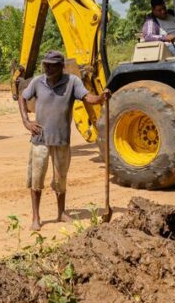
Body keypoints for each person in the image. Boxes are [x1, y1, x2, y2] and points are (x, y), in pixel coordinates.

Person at [18, 50, 110, 231]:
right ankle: (36, 217)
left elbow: (88, 98)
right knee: (36, 180)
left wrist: (101, 98)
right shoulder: (37, 81)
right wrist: (26, 122)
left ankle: (61, 212)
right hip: (40, 139)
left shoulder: (72, 82)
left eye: (52, 65)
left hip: (61, 139)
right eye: (45, 64)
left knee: (61, 178)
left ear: (61, 67)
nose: (47, 68)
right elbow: (22, 97)